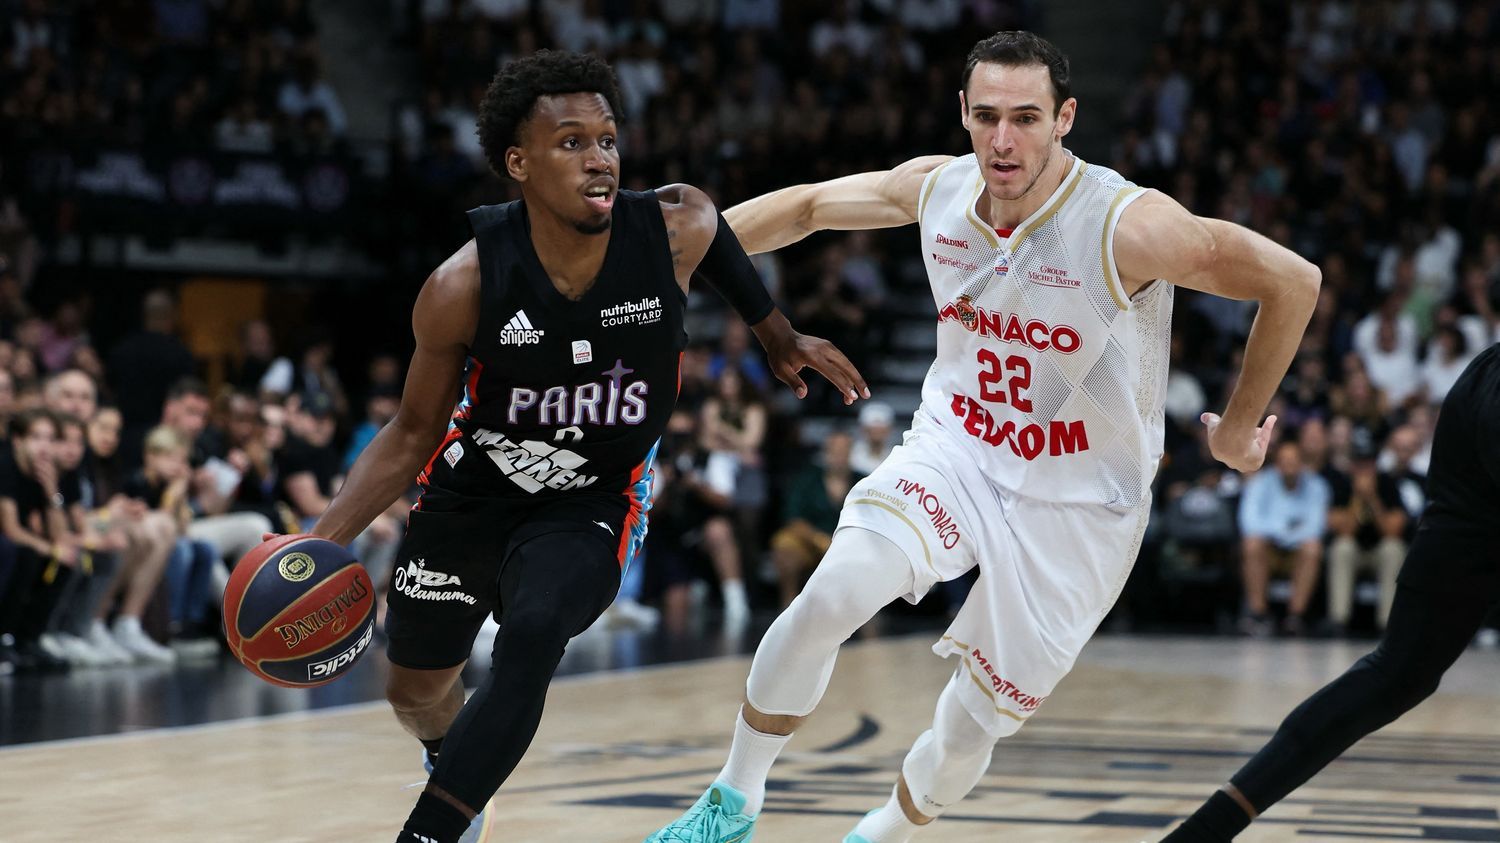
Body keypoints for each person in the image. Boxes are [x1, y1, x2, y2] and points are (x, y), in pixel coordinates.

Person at [646, 31, 1319, 843]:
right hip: (958, 447)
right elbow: (812, 206)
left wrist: (1239, 427)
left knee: (970, 726)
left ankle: (882, 832)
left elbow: (1293, 278)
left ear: (1065, 118)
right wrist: (662, 255)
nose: (1005, 140)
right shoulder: (939, 189)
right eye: (989, 116)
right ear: (962, 113)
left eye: (1028, 118)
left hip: (1082, 501)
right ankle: (732, 803)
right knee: (831, 593)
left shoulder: (1126, 223)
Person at [275, 50, 865, 843]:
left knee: (533, 631)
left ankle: (431, 831)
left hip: (592, 498)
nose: (599, 158)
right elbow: (414, 429)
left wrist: (777, 333)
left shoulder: (670, 229)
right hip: (472, 493)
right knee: (414, 686)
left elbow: (714, 226)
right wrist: (319, 544)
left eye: (608, 139)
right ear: (518, 162)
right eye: (572, 143)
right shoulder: (464, 285)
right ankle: (457, 761)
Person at [1161, 343, 1500, 841]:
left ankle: (1207, 829)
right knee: (1399, 674)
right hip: (1476, 476)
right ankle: (1208, 827)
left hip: (1470, 466)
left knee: (1398, 675)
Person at [1236, 439, 1329, 637]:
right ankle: (1257, 614)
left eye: (1294, 461)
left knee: (1313, 547)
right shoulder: (1259, 483)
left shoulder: (1317, 486)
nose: (1289, 466)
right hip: (1268, 549)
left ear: (1302, 463)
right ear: (1277, 463)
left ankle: (1295, 617)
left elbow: (1316, 527)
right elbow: (1249, 523)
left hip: (1296, 552)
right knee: (1252, 544)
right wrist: (1285, 530)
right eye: (1284, 461)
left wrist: (1286, 534)